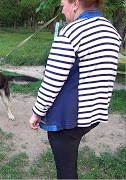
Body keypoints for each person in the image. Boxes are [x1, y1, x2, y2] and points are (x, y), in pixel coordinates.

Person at [29, 0, 122, 179]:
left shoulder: (71, 32)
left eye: (63, 3)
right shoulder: (111, 31)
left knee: (66, 172)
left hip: (70, 118)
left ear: (75, 4)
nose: (62, 9)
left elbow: (52, 80)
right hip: (94, 113)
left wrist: (37, 112)